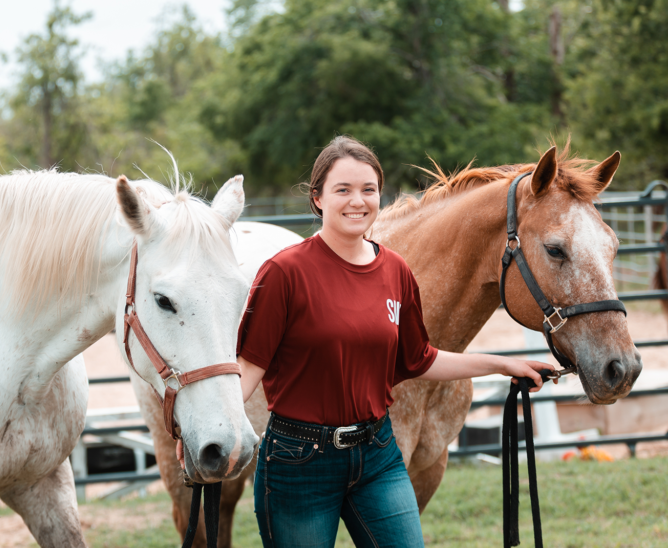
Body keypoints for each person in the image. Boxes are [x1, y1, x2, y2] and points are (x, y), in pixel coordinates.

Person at [182, 136, 550, 547]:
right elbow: (249, 367)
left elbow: (420, 359)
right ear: (318, 197)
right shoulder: (284, 273)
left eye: (368, 190)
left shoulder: (395, 271)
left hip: (377, 454)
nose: (358, 201)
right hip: (298, 461)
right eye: (343, 190)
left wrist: (504, 364)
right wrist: (208, 432)